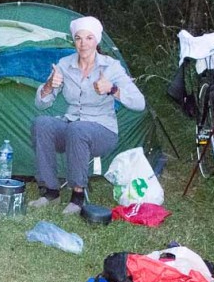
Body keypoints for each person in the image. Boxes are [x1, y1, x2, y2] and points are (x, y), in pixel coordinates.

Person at [29, 16, 146, 215]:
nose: (83, 44)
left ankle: (78, 195)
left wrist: (113, 89)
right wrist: (49, 85)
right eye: (78, 38)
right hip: (71, 125)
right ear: (73, 41)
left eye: (89, 38)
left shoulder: (111, 67)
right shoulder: (64, 65)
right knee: (41, 123)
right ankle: (50, 191)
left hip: (102, 131)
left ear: (97, 40)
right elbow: (41, 104)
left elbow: (139, 103)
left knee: (78, 129)